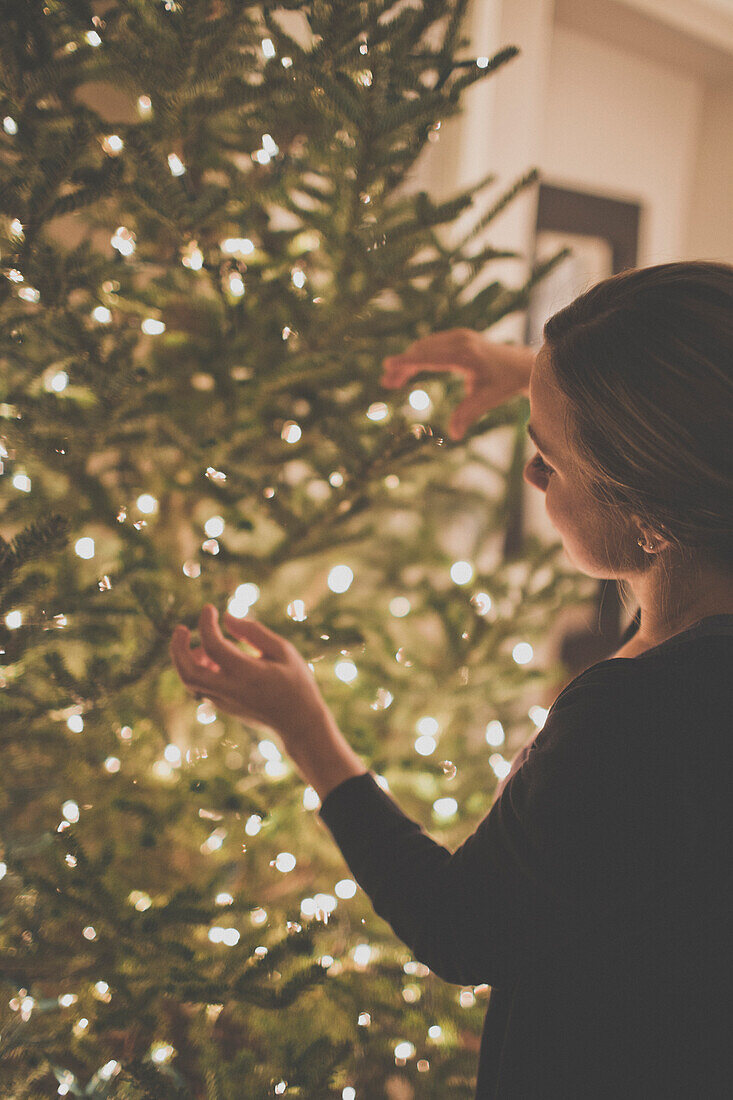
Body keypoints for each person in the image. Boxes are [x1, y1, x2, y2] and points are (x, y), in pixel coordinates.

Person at [171, 260, 733, 1098]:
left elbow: (460, 927)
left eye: (549, 462)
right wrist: (532, 376)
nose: (530, 476)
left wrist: (306, 734)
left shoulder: (634, 717)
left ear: (649, 512)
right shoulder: (695, 597)